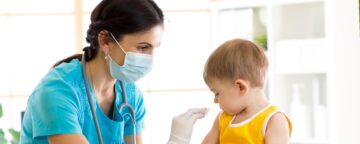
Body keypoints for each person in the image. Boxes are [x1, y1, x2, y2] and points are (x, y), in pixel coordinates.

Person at [20, 0, 207, 143]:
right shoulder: (58, 90)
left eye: (154, 48)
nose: (150, 57)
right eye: (143, 47)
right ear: (105, 41)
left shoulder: (130, 94)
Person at [201, 39, 292, 144]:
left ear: (241, 87)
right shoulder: (223, 119)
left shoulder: (274, 120)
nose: (215, 101)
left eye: (217, 93)